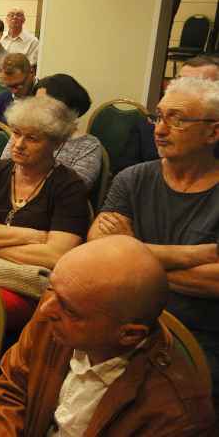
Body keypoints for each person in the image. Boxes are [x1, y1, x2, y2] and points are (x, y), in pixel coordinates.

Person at [0, 236, 215, 436]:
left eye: (69, 309)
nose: (45, 309)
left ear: (129, 335)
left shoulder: (178, 415)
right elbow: (11, 391)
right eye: (51, 288)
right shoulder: (53, 317)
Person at [89, 76, 219, 409]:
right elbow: (100, 253)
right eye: (158, 117)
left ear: (213, 133)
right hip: (123, 324)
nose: (160, 130)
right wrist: (194, 256)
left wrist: (131, 251)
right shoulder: (132, 178)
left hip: (201, 336)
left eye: (178, 120)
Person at [0, 95, 89, 329]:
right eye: (16, 133)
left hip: (28, 287)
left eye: (32, 138)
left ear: (56, 143)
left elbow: (55, 256)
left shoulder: (69, 186)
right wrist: (33, 236)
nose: (19, 144)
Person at [115, 55, 219, 172]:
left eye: (195, 85)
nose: (182, 90)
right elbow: (123, 174)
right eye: (178, 82)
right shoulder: (146, 127)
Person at [1, 74, 103, 191]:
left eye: (45, 105)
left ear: (68, 109)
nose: (36, 109)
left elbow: (75, 189)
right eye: (36, 102)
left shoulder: (89, 146)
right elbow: (3, 172)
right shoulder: (23, 132)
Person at [0, 53, 35, 122]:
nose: (14, 91)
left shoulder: (46, 95)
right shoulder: (0, 100)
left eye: (18, 85)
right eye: (8, 86)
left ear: (31, 73)